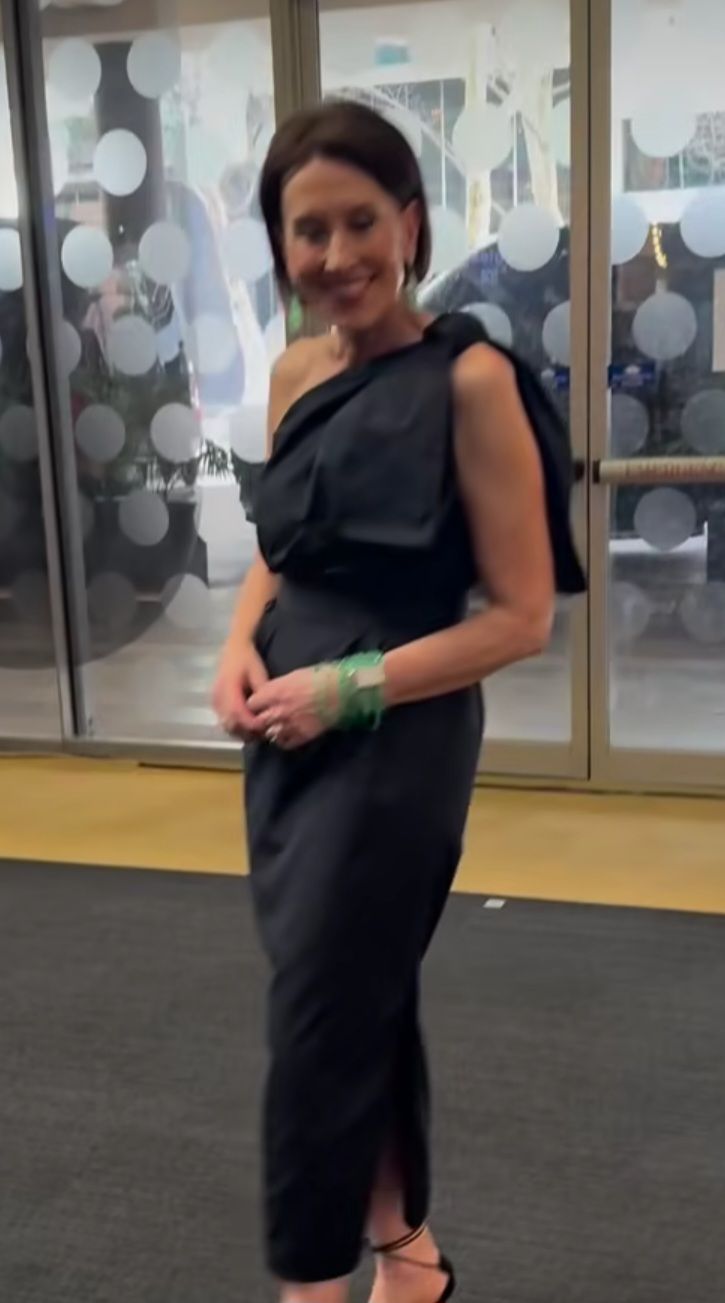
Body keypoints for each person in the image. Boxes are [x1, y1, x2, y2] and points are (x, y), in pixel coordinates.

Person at [213, 99, 585, 1303]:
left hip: (395, 736)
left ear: (411, 224)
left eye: (360, 222)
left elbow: (518, 618)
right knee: (353, 997)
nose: (336, 255)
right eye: (307, 230)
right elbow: (281, 543)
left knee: (315, 1017)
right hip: (286, 731)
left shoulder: (468, 381)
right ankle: (408, 1257)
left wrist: (346, 689)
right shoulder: (292, 372)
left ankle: (310, 1284)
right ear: (279, 244)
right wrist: (236, 642)